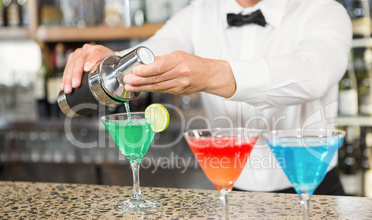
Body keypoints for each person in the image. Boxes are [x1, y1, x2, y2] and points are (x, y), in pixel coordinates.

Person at [61, 0, 352, 195]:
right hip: (230, 195)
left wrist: (211, 74)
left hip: (316, 191)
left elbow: (315, 73)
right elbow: (154, 52)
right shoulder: (197, 14)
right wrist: (113, 60)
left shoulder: (323, 9)